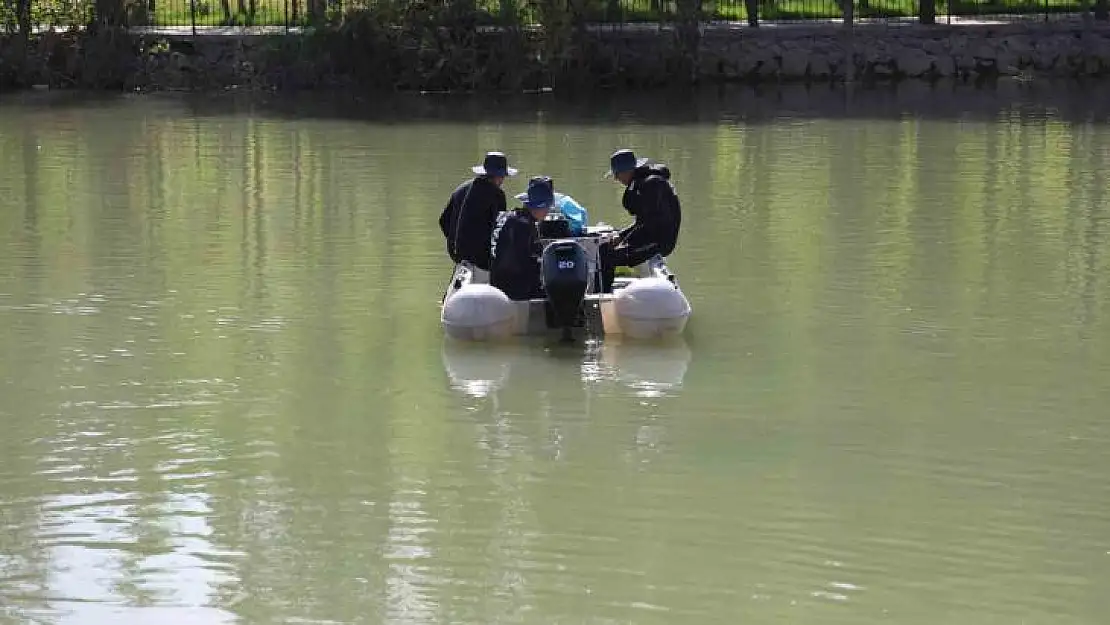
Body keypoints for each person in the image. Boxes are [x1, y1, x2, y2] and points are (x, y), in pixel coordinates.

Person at [597, 148, 682, 292]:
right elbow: (642, 222)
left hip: (659, 242)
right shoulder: (642, 184)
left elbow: (650, 224)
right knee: (604, 248)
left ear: (627, 171)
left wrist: (625, 241)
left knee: (608, 258)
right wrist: (621, 236)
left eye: (617, 174)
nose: (616, 179)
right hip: (649, 236)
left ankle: (603, 296)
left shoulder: (651, 185)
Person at [438, 151, 519, 271]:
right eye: (502, 177)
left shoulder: (462, 188)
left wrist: (457, 244)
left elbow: (443, 220)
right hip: (480, 260)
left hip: (457, 255)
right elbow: (499, 231)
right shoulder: (497, 194)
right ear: (499, 176)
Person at [489, 176, 553, 301]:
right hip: (514, 291)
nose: (548, 211)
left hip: (496, 284)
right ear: (539, 206)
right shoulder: (524, 226)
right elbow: (528, 264)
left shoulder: (507, 217)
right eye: (547, 207)